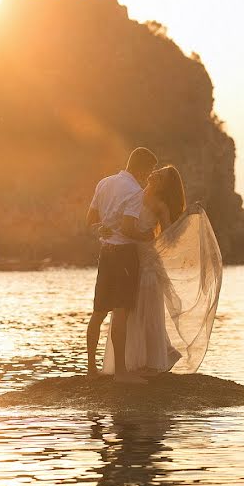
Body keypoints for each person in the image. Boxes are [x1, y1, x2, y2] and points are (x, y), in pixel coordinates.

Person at [102, 165, 223, 376]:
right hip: (129, 259)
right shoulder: (134, 195)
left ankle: (153, 361)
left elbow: (169, 237)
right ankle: (135, 361)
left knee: (148, 311)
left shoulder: (159, 206)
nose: (154, 173)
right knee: (129, 312)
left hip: (148, 262)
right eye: (157, 171)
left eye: (160, 175)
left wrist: (187, 217)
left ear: (164, 185)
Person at [86, 147, 157, 383]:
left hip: (105, 253)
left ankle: (91, 369)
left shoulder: (104, 183)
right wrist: (148, 236)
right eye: (149, 171)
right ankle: (121, 373)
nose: (149, 176)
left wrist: (101, 229)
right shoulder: (135, 191)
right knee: (120, 312)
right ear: (142, 168)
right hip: (124, 255)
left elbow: (91, 220)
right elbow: (128, 228)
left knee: (98, 311)